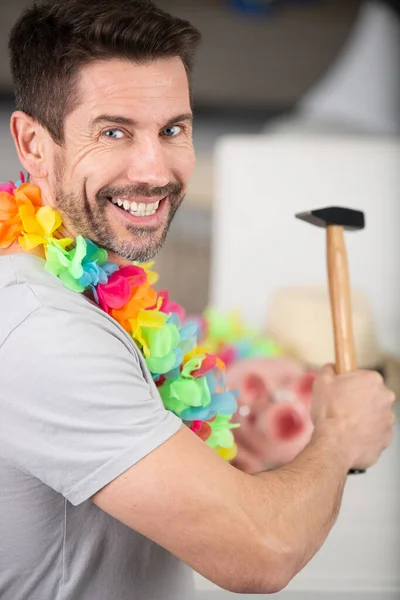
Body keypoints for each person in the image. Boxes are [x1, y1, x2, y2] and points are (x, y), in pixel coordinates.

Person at [0, 1, 395, 599]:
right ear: (33, 143)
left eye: (172, 129)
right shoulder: (45, 330)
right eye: (114, 132)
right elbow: (261, 552)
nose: (154, 170)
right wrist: (337, 435)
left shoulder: (86, 284)